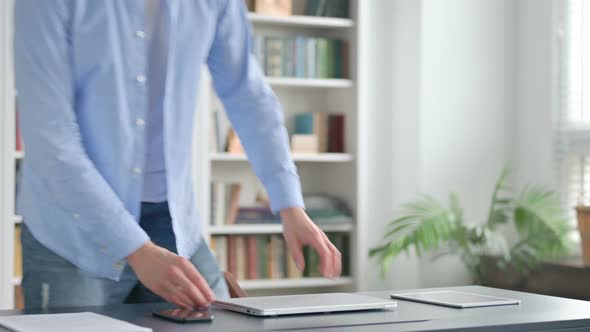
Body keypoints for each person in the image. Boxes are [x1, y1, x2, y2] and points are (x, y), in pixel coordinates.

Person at [14, 0, 341, 310]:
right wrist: (137, 249)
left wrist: (290, 205)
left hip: (172, 220)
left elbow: (247, 95)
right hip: (73, 231)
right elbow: (52, 142)